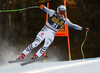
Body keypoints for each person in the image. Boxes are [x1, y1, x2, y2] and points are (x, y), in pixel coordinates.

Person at [17, 5, 89, 60]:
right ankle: (22, 55)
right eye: (60, 12)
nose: (61, 14)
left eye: (63, 13)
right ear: (58, 11)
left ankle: (35, 56)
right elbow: (46, 9)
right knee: (36, 43)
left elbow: (73, 25)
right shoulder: (52, 13)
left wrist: (82, 28)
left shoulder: (65, 20)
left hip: (52, 33)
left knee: (46, 45)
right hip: (45, 30)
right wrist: (42, 7)